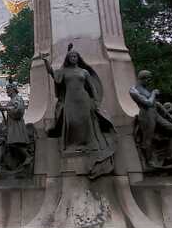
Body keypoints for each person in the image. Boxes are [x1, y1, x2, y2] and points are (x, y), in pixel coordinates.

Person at [41, 45, 116, 179]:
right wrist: (46, 61)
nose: (73, 58)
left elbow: (91, 87)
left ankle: (87, 144)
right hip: (70, 100)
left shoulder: (84, 72)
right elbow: (53, 74)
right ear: (68, 59)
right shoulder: (63, 71)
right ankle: (73, 144)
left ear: (78, 58)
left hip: (83, 99)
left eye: (75, 56)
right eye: (71, 57)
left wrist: (95, 101)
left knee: (85, 122)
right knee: (72, 122)